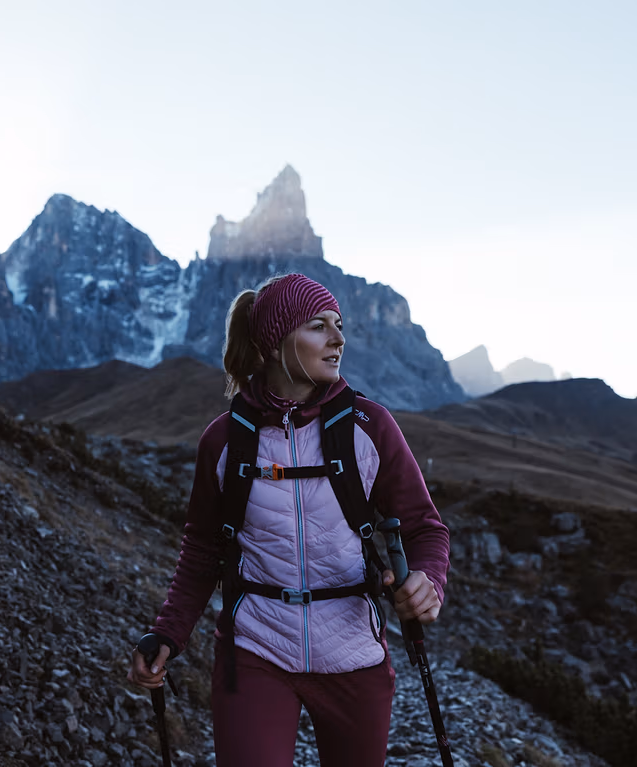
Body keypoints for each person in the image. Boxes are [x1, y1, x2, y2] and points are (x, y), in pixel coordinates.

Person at [127, 273, 450, 766]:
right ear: (274, 344)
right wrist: (168, 633)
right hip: (255, 652)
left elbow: (425, 527)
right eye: (319, 326)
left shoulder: (370, 426)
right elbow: (202, 550)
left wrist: (428, 580)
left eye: (339, 325)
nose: (338, 339)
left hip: (354, 656)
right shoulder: (224, 440)